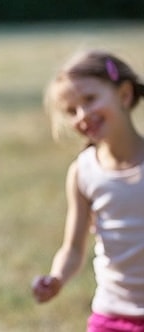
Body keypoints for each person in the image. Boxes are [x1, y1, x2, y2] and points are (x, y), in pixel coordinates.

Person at [32, 50, 144, 331]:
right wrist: (57, 277)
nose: (83, 115)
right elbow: (72, 248)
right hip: (110, 315)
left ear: (125, 94)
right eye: (71, 110)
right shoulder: (84, 172)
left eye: (90, 100)